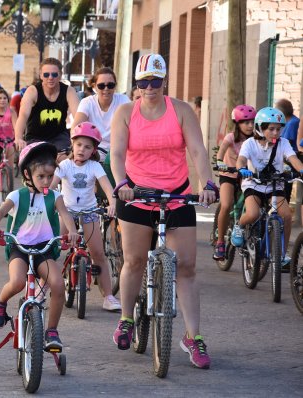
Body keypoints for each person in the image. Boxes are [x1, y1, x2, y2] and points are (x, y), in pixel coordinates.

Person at [110, 53, 217, 369]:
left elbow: (197, 150)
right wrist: (121, 183)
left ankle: (193, 337)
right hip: (137, 195)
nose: (150, 87)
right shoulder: (126, 113)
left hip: (176, 195)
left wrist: (208, 184)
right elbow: (116, 153)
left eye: (155, 81)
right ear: (137, 84)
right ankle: (127, 318)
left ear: (164, 81)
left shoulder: (181, 110)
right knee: (134, 261)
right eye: (143, 82)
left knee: (186, 267)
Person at [0, 141, 79, 351]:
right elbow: (0, 213)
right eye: (41, 176)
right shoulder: (17, 196)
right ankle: (0, 302)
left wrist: (72, 231)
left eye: (50, 176)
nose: (46, 181)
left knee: (57, 284)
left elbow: (65, 215)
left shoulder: (55, 197)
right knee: (17, 282)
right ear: (27, 174)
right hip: (20, 247)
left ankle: (52, 331)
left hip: (45, 249)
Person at [49, 122, 120, 311]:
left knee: (98, 253)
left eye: (88, 147)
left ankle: (109, 296)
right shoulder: (64, 165)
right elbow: (52, 185)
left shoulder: (94, 166)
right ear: (73, 144)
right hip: (67, 212)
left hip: (89, 212)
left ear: (93, 150)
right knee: (53, 250)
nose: (82, 149)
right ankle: (41, 291)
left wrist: (113, 203)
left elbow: (106, 186)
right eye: (79, 144)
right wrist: (46, 198)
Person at [230, 107, 303, 267]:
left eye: (279, 129)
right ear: (260, 127)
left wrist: (302, 170)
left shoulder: (283, 143)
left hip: (274, 184)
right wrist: (242, 169)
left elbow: (293, 158)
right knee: (253, 213)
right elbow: (241, 159)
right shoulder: (250, 143)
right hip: (253, 184)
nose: (276, 132)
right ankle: (239, 225)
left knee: (286, 216)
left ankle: (282, 254)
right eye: (271, 129)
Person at [71, 66, 131, 187]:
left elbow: (133, 125)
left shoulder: (123, 100)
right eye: (101, 86)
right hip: (93, 152)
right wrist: (78, 149)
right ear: (94, 86)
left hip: (118, 152)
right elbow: (76, 127)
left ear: (115, 86)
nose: (106, 89)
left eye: (110, 85)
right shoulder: (87, 102)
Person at [15, 58, 80, 163]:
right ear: (41, 75)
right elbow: (23, 116)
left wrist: (76, 138)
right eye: (46, 75)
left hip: (59, 137)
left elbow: (78, 117)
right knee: (37, 165)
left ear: (60, 75)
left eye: (54, 74)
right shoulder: (32, 91)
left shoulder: (69, 91)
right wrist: (18, 137)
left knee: (65, 162)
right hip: (35, 137)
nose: (50, 78)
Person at [213, 105, 256, 260]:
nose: (250, 125)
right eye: (246, 122)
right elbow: (221, 152)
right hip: (229, 174)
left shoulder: (256, 138)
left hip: (246, 176)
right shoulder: (231, 137)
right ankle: (220, 243)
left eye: (252, 122)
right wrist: (220, 162)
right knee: (226, 204)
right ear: (237, 123)